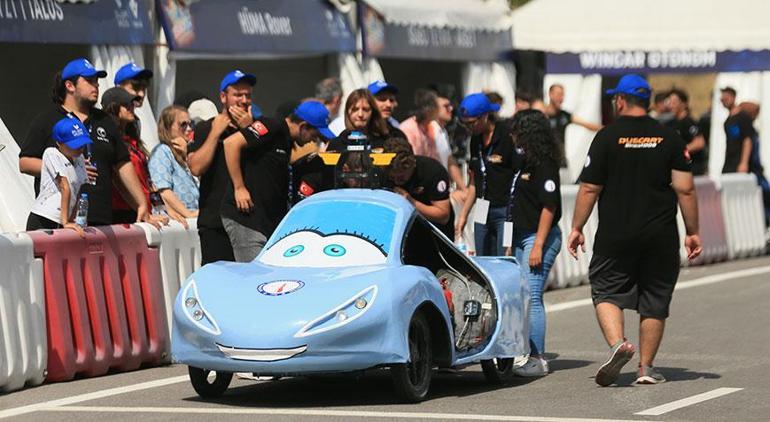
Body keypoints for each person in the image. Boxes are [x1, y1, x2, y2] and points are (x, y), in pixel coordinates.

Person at [567, 74, 702, 386]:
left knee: (605, 290)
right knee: (655, 299)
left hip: (616, 234)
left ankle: (619, 345)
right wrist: (692, 231)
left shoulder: (606, 137)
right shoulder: (669, 137)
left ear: (620, 100)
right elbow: (686, 190)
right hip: (660, 235)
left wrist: (577, 227)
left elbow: (589, 189)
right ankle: (645, 368)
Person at [19, 58, 157, 227]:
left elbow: (122, 165)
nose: (96, 86)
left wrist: (141, 204)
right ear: (70, 86)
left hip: (99, 221)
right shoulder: (47, 119)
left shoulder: (105, 120)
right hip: (55, 221)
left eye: (97, 81)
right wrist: (68, 167)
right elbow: (24, 162)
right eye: (90, 81)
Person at [221, 100, 334, 262]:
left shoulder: (286, 140)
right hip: (246, 219)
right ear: (303, 126)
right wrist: (239, 188)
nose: (312, 141)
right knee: (254, 279)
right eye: (314, 136)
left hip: (263, 222)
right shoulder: (273, 126)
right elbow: (230, 144)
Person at [504, 110, 563, 377]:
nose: (512, 135)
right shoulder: (524, 163)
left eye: (516, 129)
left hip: (540, 237)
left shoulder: (544, 164)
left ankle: (538, 358)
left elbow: (549, 206)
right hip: (519, 236)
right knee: (519, 294)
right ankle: (521, 350)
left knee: (532, 295)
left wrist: (538, 245)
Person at [188, 69, 257, 265]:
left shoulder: (258, 128)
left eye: (248, 95)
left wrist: (249, 131)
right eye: (238, 95)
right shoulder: (205, 128)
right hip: (215, 222)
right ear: (223, 97)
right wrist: (215, 133)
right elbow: (196, 168)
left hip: (248, 221)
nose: (244, 100)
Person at [456, 93, 518, 256]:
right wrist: (463, 215)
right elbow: (474, 182)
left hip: (505, 211)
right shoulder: (475, 141)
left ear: (485, 116)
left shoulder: (507, 136)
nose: (469, 128)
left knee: (503, 258)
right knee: (483, 258)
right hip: (483, 209)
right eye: (465, 124)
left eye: (472, 123)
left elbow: (518, 176)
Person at [26, 117, 91, 236]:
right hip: (44, 217)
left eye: (82, 144)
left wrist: (73, 220)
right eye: (74, 145)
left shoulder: (80, 159)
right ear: (59, 143)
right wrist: (65, 222)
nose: (80, 148)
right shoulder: (51, 153)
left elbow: (80, 190)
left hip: (64, 219)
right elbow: (64, 186)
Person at [384, 137, 454, 239]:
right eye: (392, 176)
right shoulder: (382, 173)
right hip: (401, 233)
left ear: (411, 165)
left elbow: (443, 215)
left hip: (435, 233)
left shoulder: (432, 171)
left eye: (400, 177)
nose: (395, 180)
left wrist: (409, 201)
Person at [101, 87, 152, 224]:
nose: (131, 107)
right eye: (126, 104)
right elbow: (116, 178)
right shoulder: (107, 139)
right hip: (121, 211)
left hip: (141, 209)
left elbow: (145, 179)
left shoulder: (133, 141)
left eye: (132, 104)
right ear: (113, 107)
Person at [149, 105, 200, 220]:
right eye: (183, 124)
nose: (189, 129)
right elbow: (163, 190)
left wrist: (187, 153)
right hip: (176, 222)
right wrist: (188, 214)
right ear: (167, 127)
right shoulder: (162, 151)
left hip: (192, 219)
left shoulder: (184, 153)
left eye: (190, 124)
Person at [545, 84, 601, 168]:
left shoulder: (565, 115)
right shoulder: (541, 114)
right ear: (550, 94)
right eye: (558, 94)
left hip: (560, 161)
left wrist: (609, 129)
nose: (560, 98)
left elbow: (588, 125)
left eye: (562, 95)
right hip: (544, 160)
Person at [665, 89, 707, 176]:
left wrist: (681, 151)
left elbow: (699, 143)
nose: (671, 105)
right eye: (670, 102)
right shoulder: (671, 123)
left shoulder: (688, 122)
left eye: (674, 102)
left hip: (693, 169)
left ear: (684, 104)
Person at [720, 87, 755, 174]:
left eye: (726, 98)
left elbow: (747, 140)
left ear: (733, 97)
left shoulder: (743, 116)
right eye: (722, 100)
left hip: (739, 162)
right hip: (729, 162)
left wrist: (744, 163)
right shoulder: (728, 120)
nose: (723, 101)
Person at [400, 89, 440, 161]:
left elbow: (435, 158)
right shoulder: (407, 129)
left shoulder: (431, 127)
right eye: (436, 106)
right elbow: (412, 159)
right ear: (428, 108)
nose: (439, 109)